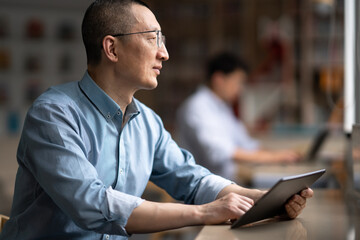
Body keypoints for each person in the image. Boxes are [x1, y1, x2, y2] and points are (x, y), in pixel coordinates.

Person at [0, 1, 312, 239]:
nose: (164, 53)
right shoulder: (53, 113)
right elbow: (90, 203)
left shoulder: (147, 122)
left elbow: (190, 178)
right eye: (153, 38)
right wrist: (204, 212)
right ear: (111, 48)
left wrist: (259, 199)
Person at [176, 52, 301, 181]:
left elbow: (247, 144)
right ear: (219, 80)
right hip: (203, 187)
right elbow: (221, 152)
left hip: (224, 182)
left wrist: (280, 154)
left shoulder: (222, 107)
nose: (240, 89)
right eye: (237, 82)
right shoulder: (197, 107)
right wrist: (275, 158)